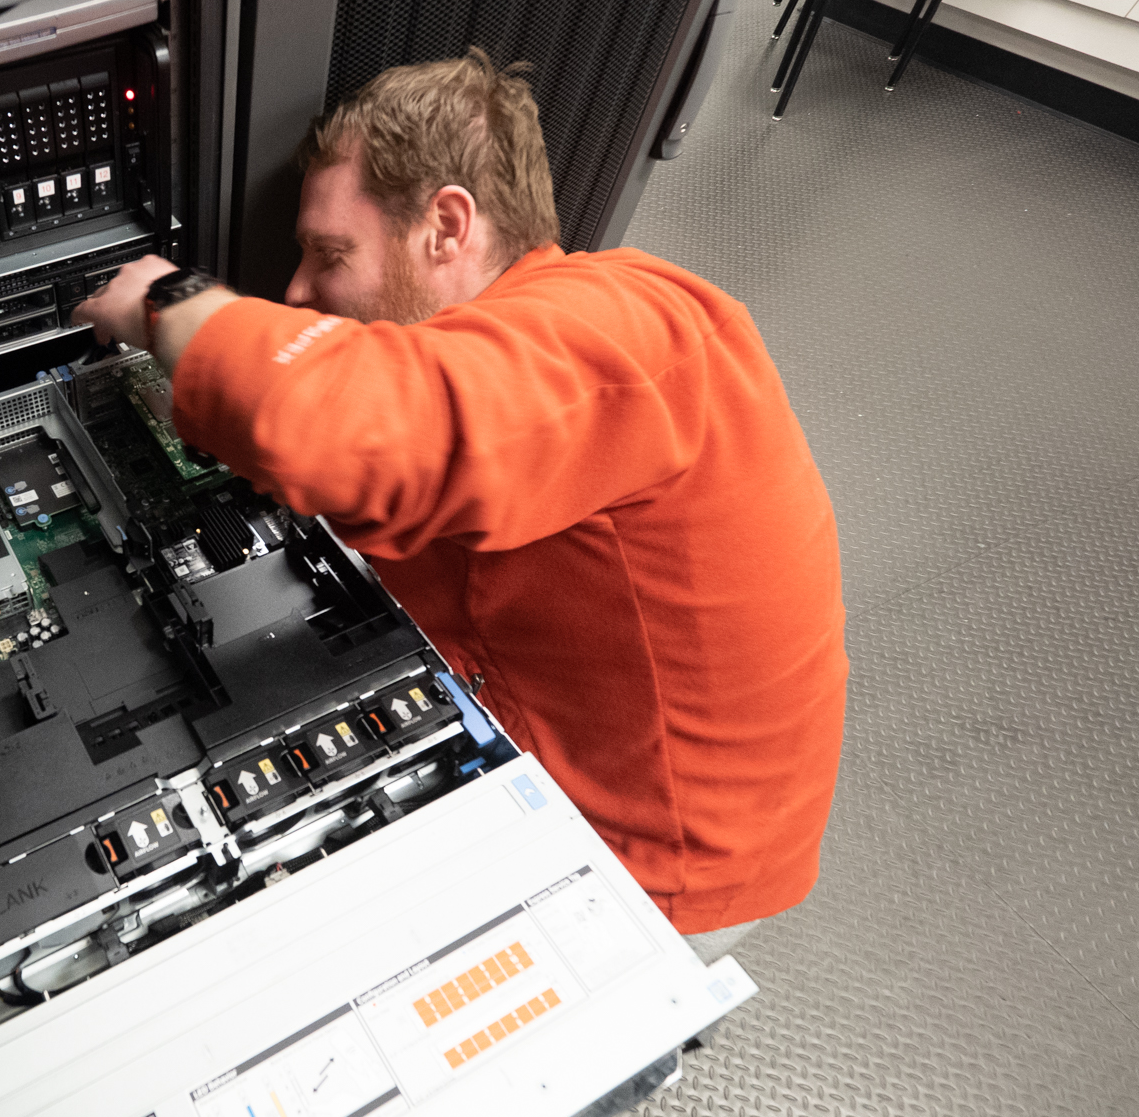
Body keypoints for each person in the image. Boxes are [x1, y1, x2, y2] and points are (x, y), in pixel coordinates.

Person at [75, 50, 846, 962]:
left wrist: (168, 302)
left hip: (649, 869)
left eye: (330, 255)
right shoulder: (535, 348)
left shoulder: (623, 326)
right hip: (570, 733)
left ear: (447, 225)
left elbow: (361, 419)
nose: (294, 292)